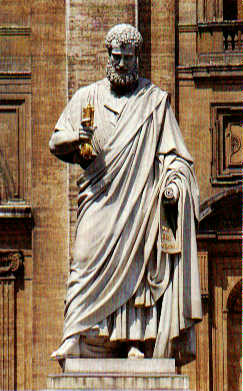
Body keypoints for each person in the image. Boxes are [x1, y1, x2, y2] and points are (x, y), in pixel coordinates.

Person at [49, 24, 202, 362]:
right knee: (84, 259)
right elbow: (55, 142)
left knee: (137, 271)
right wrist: (76, 140)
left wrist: (174, 185)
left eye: (127, 59)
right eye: (115, 58)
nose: (120, 65)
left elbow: (176, 156)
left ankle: (135, 340)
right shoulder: (87, 97)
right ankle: (77, 333)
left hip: (138, 205)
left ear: (138, 59)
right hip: (98, 200)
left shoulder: (154, 102)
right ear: (108, 56)